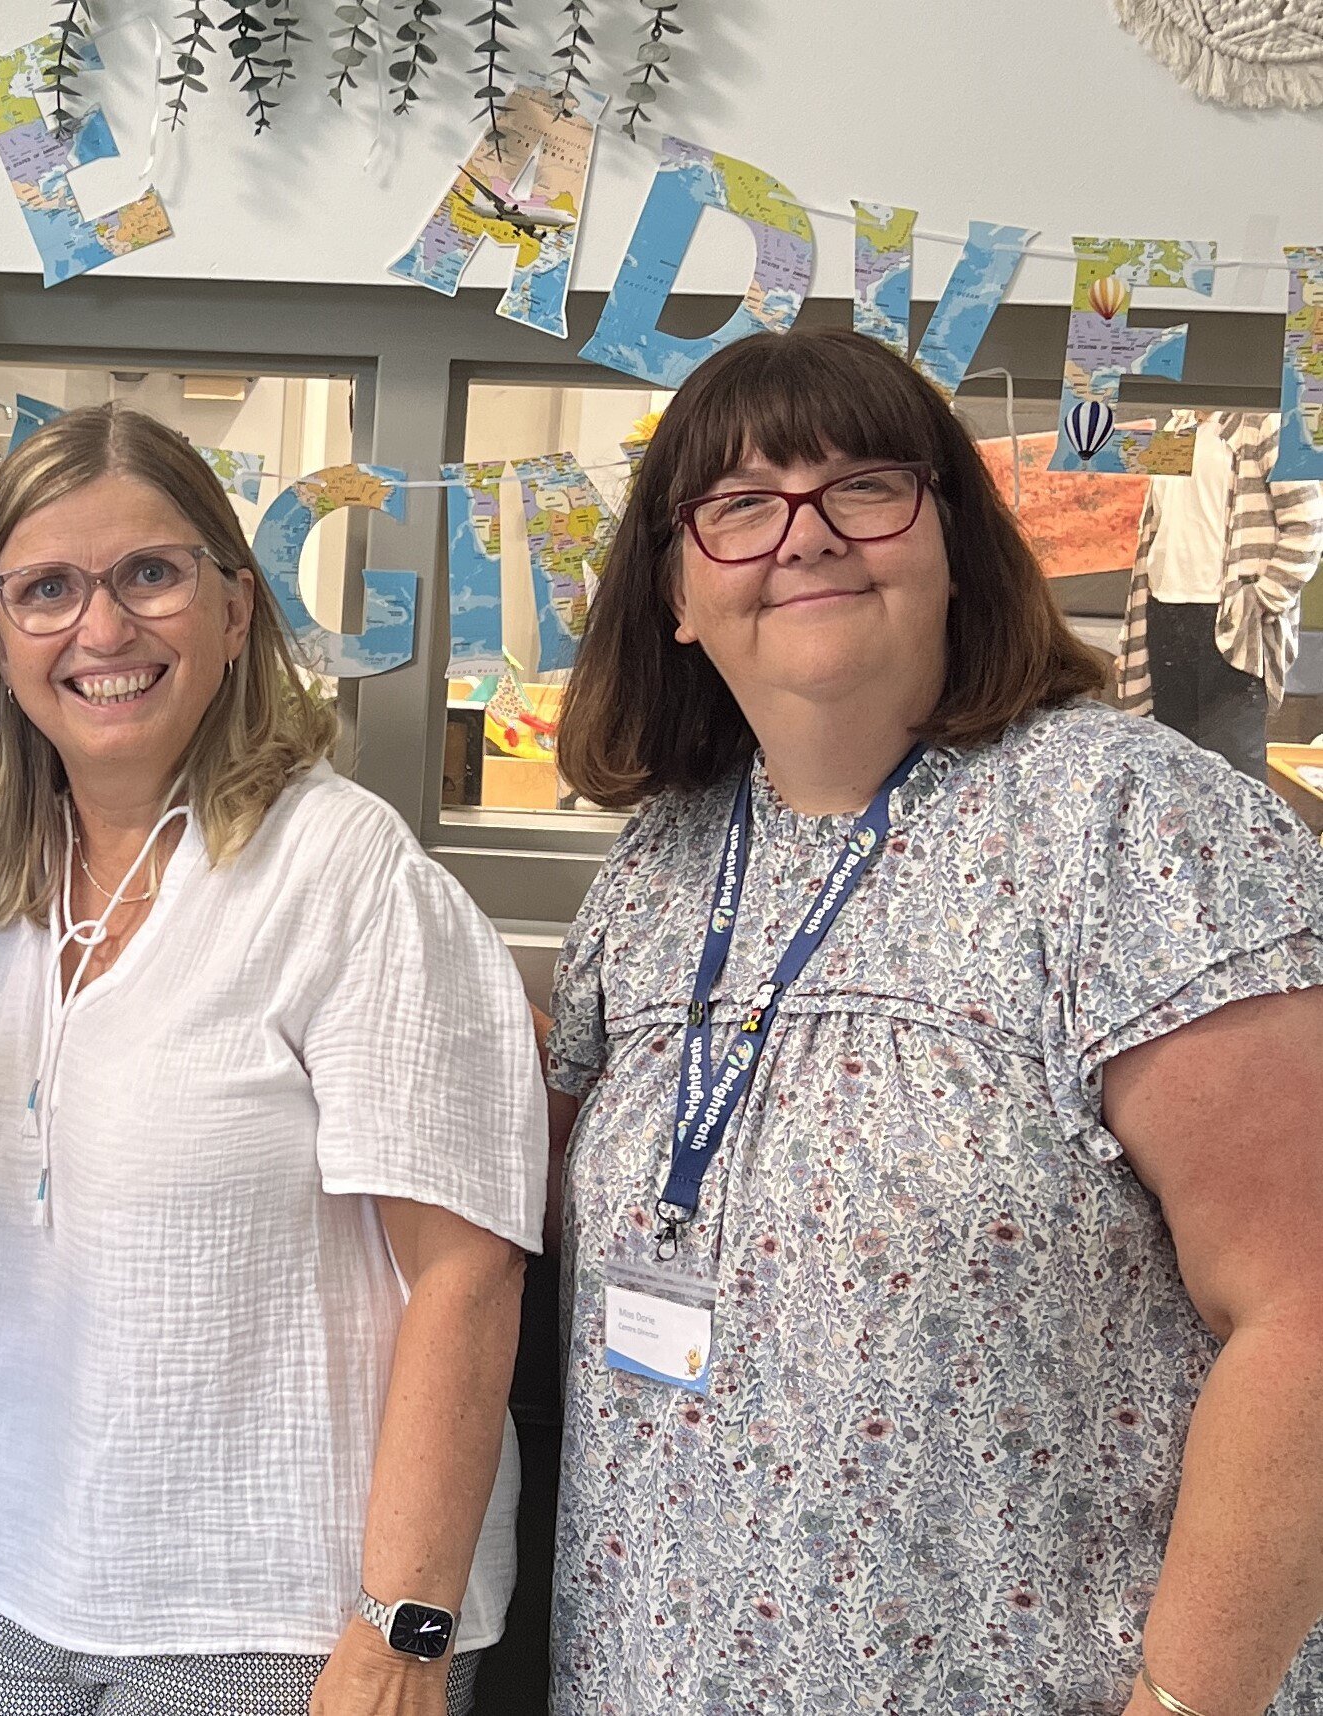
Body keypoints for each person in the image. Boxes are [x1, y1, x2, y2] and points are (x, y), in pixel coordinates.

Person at [547, 327, 1323, 1713]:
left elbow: (1303, 1307)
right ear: (672, 591)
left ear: (952, 539)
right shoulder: (655, 868)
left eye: (862, 485)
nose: (804, 536)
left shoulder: (1122, 825)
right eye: (736, 505)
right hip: (657, 1671)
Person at [0, 404, 545, 1716]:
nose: (102, 631)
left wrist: (400, 1628)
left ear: (236, 613)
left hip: (275, 1619)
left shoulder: (346, 878)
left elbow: (465, 1273)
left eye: (151, 576)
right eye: (46, 588)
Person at [1112, 409, 1322, 778]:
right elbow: (1161, 521)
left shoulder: (1267, 423)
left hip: (1230, 615)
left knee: (1231, 768)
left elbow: (1307, 527)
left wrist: (1263, 600)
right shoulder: (1177, 424)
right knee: (1170, 763)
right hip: (1165, 607)